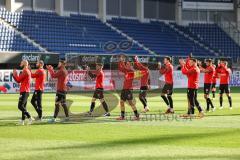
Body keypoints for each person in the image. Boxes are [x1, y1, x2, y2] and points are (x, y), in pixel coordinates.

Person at [116, 55, 140, 120]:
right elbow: (120, 68)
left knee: (130, 103)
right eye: (126, 64)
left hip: (129, 89)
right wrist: (121, 61)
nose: (127, 65)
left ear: (131, 65)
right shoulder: (126, 70)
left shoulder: (131, 71)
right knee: (121, 102)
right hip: (124, 89)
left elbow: (139, 77)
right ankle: (122, 116)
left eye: (128, 64)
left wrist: (122, 61)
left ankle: (137, 116)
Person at [13, 60, 34, 125]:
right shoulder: (26, 71)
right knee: (24, 106)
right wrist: (15, 75)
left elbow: (18, 80)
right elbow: (19, 80)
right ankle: (22, 121)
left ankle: (30, 117)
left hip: (24, 91)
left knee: (20, 106)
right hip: (25, 91)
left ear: (24, 64)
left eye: (21, 62)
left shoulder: (25, 71)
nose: (20, 63)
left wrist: (15, 74)